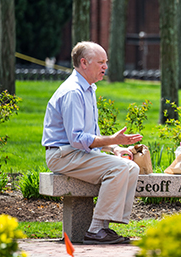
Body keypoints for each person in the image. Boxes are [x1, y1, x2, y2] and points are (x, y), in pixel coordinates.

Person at [42, 41, 142, 244]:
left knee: (130, 167)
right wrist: (112, 139)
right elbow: (77, 139)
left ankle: (104, 227)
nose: (105, 66)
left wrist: (114, 146)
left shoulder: (88, 89)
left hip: (76, 152)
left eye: (106, 62)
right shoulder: (73, 92)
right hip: (62, 155)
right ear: (84, 63)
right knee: (120, 168)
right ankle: (95, 231)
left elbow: (90, 136)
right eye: (101, 62)